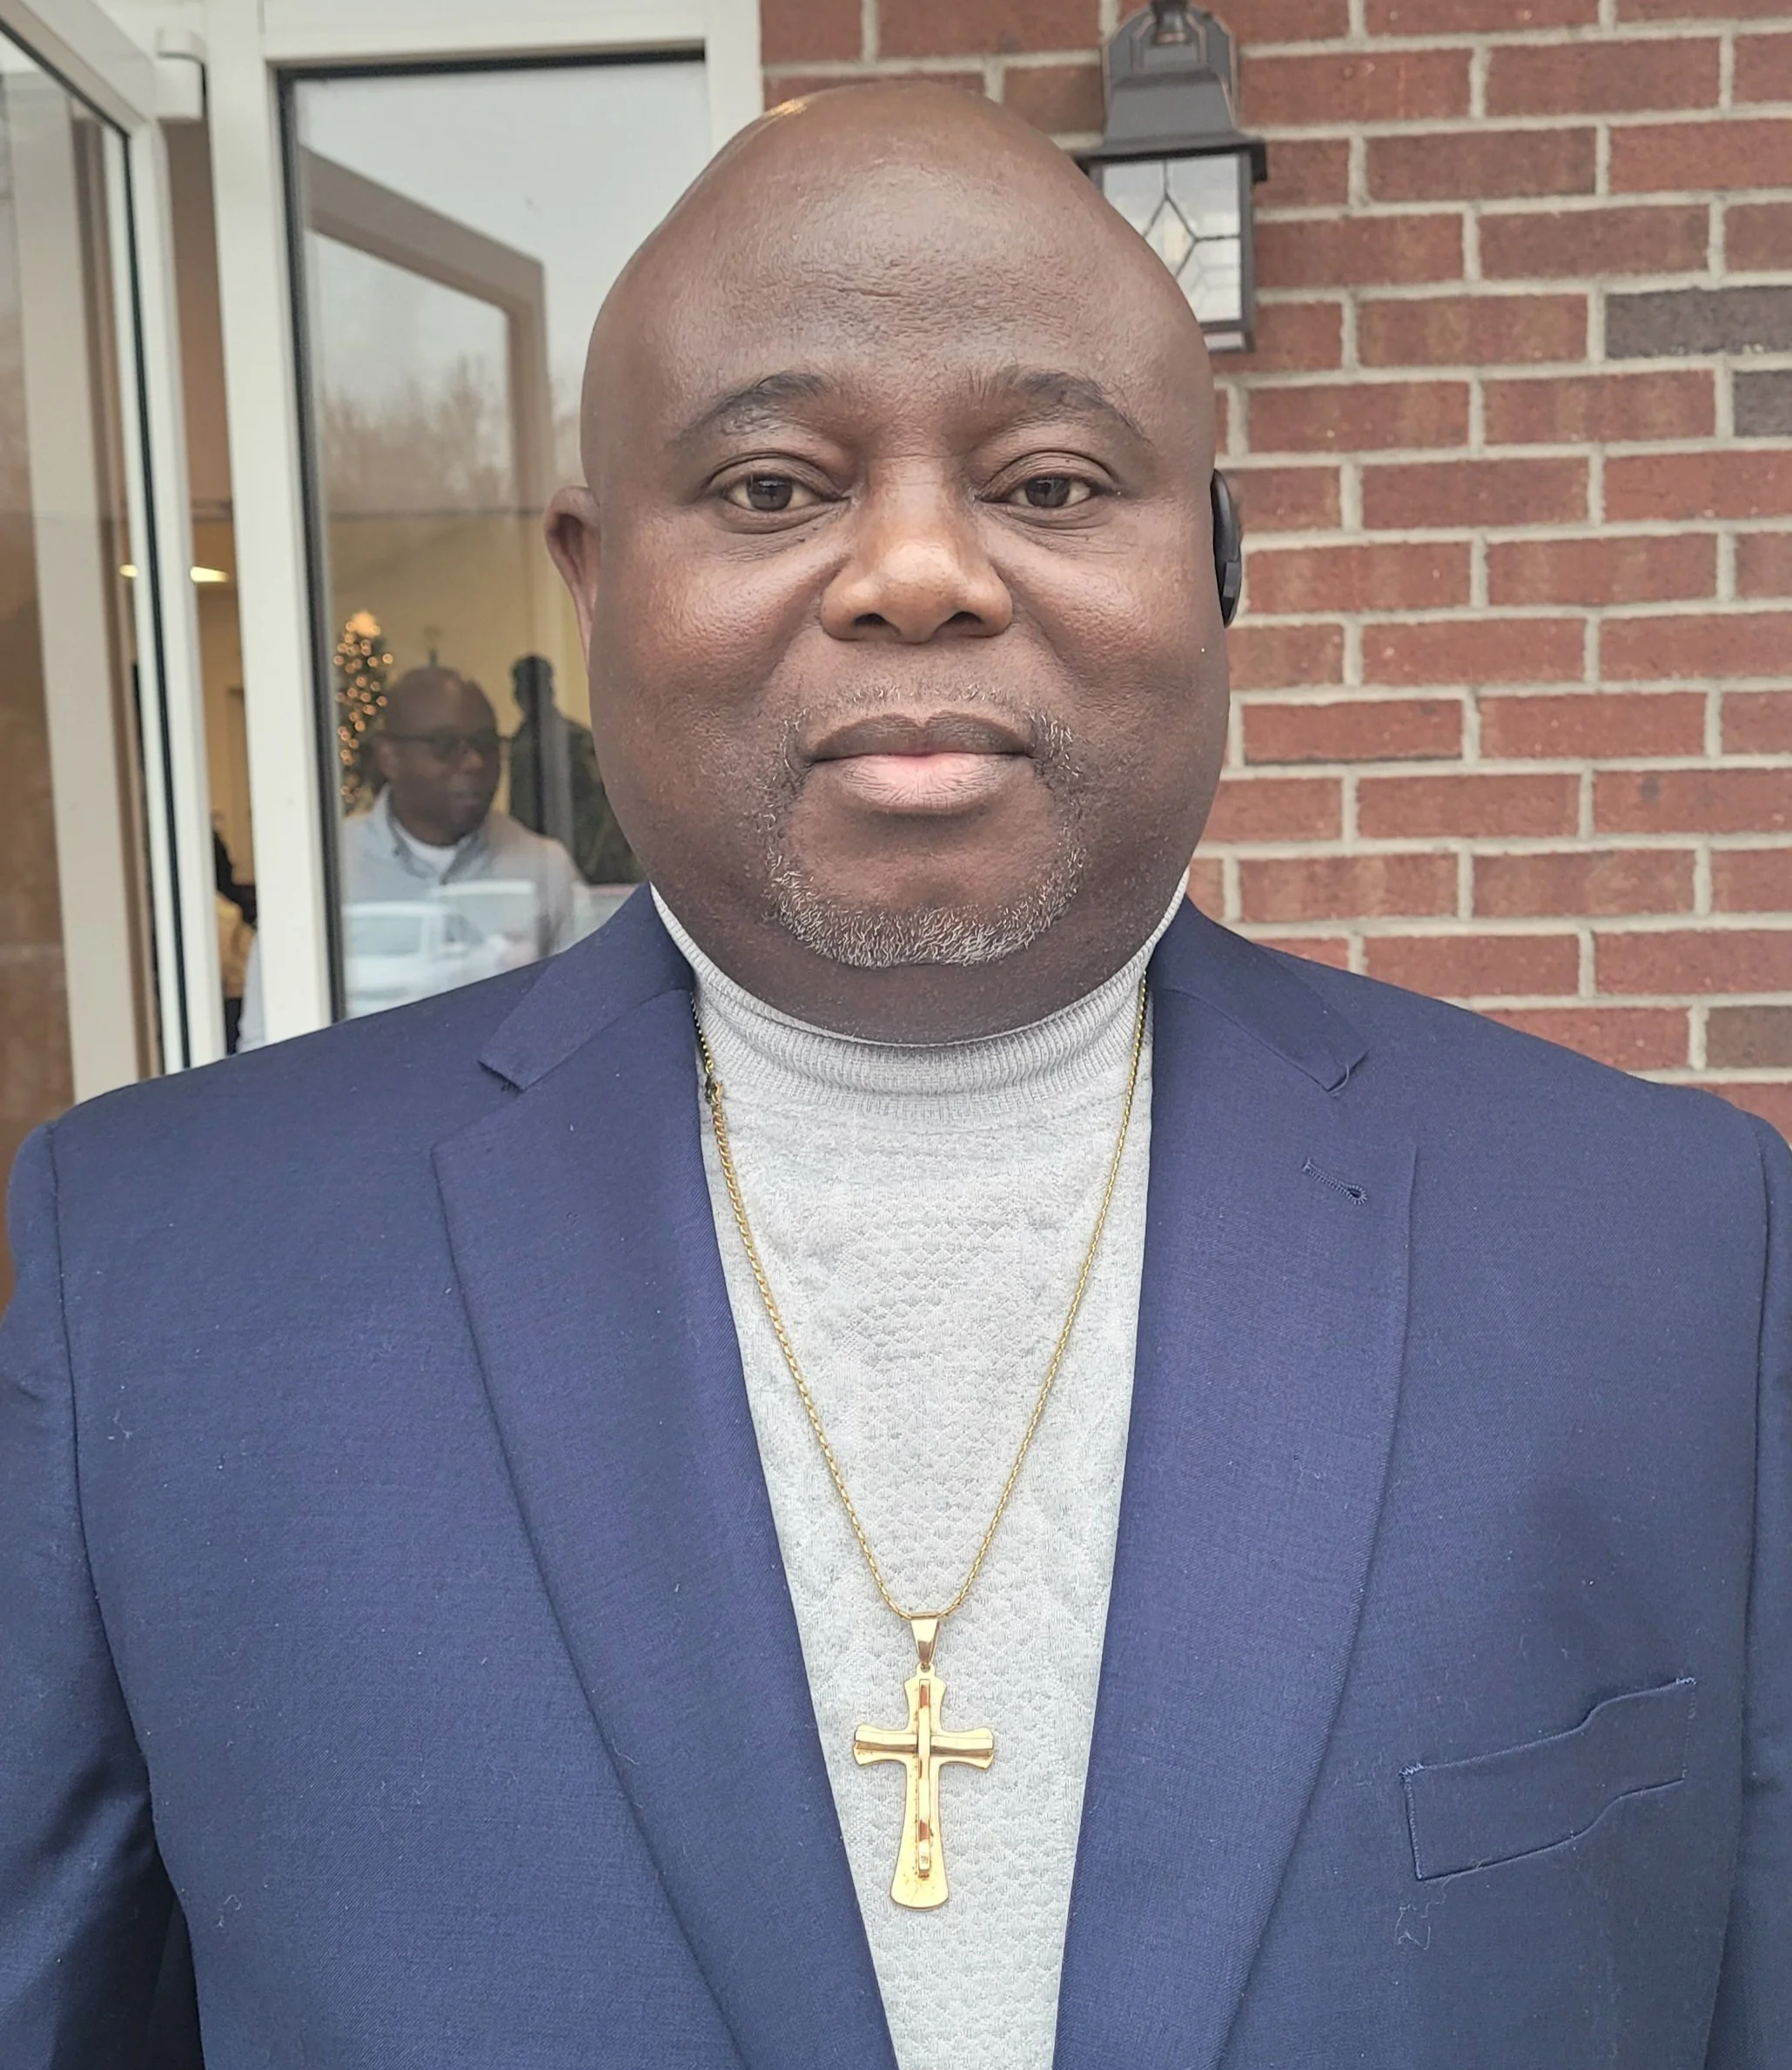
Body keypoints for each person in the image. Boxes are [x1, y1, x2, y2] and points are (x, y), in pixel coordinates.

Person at [0, 84, 1784, 2070]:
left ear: (1217, 562)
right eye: (771, 486)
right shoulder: (161, 1276)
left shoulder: (1676, 1251)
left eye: (1048, 481)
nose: (918, 570)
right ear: (596, 585)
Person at [238, 665, 581, 1045]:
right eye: (446, 746)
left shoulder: (543, 868)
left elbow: (587, 1016)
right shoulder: (324, 873)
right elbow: (265, 1037)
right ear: (389, 758)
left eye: (485, 744)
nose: (474, 763)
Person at [505, 651, 639, 885]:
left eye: (529, 689)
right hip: (534, 864)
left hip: (583, 868)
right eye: (521, 690)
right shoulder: (522, 742)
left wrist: (587, 866)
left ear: (549, 690)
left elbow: (608, 811)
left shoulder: (573, 741)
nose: (524, 698)